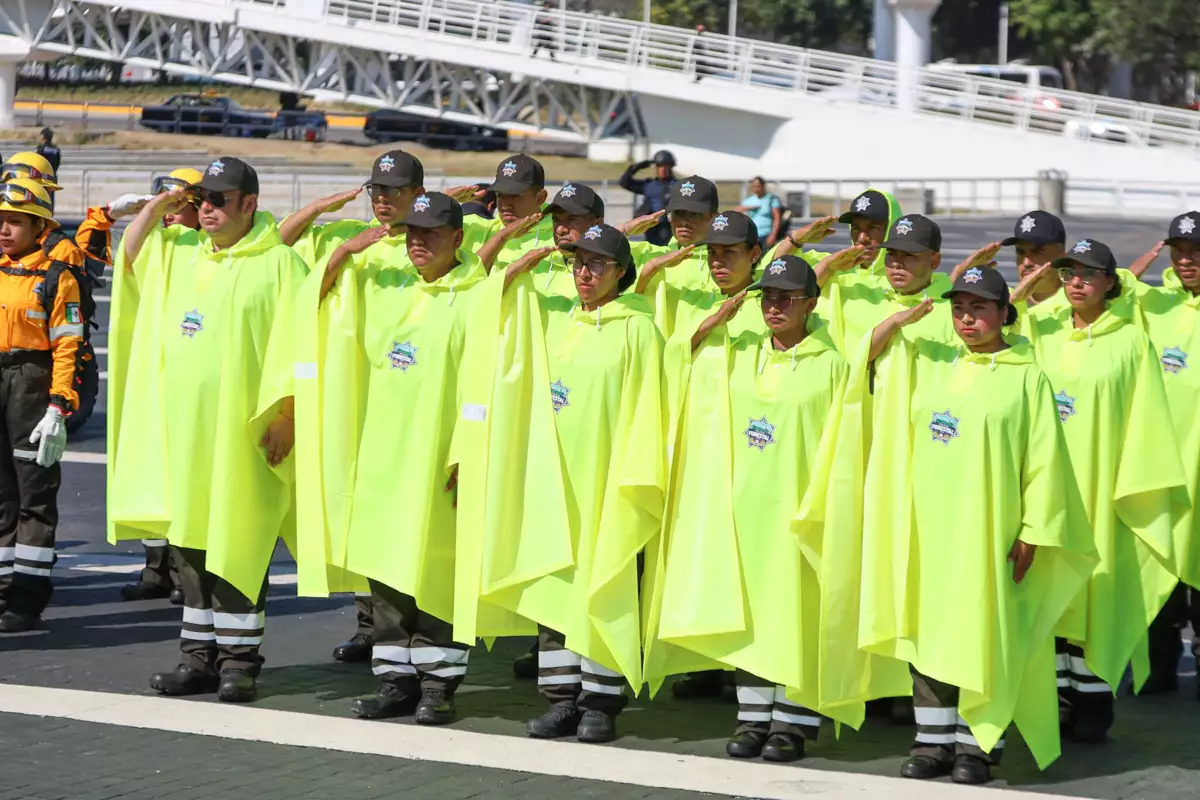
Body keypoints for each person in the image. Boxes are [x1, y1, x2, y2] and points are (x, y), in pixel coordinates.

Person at [852, 267, 1096, 784]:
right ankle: (932, 742)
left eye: (980, 308)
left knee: (987, 636)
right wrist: (898, 322)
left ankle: (978, 746)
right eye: (959, 308)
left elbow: (1046, 460)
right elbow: (863, 377)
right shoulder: (930, 366)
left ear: (1004, 313)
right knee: (929, 633)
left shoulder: (1027, 375)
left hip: (992, 533)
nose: (967, 318)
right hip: (930, 530)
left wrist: (1033, 529)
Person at [645, 255, 857, 763]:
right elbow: (674, 367)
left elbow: (846, 445)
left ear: (812, 302)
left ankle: (794, 724)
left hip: (799, 510)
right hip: (743, 508)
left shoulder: (833, 366)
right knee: (753, 616)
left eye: (787, 297)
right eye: (767, 297)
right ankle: (752, 716)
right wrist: (708, 325)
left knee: (796, 616)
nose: (776, 306)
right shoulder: (738, 353)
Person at [109, 157, 304, 703]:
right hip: (186, 437)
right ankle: (197, 659)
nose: (209, 210)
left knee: (239, 543)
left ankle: (239, 664)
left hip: (243, 438)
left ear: (250, 204)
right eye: (203, 201)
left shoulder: (281, 266)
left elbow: (302, 348)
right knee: (189, 551)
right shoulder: (182, 254)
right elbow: (128, 264)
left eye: (220, 200)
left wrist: (288, 415)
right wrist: (153, 209)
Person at [301, 193, 485, 724]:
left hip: (441, 461)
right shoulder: (387, 289)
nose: (418, 243)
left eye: (429, 233)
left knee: (438, 571)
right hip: (384, 455)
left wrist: (468, 449)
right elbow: (313, 302)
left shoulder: (481, 298)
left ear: (458, 238)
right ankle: (395, 682)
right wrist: (342, 254)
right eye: (410, 234)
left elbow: (486, 385)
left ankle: (438, 686)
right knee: (386, 573)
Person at [485, 224, 666, 744]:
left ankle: (601, 703)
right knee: (554, 588)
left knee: (605, 587)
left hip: (606, 483)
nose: (584, 275)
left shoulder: (638, 330)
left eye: (596, 266)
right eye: (577, 264)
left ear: (621, 272)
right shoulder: (555, 322)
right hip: (554, 480)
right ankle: (561, 699)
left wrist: (633, 479)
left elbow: (648, 411)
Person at [1026, 238, 1189, 742]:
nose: (1077, 283)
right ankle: (1052, 704)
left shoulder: (1130, 341)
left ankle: (1092, 705)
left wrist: (1131, 488)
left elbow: (1146, 423)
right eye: (1069, 273)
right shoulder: (1040, 331)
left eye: (1089, 274)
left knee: (1092, 598)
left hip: (1099, 493)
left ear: (1109, 282)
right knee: (1047, 598)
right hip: (1047, 492)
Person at [115, 167, 205, 605]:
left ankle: (183, 572)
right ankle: (156, 567)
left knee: (182, 478)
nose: (171, 215)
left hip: (190, 372)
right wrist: (153, 209)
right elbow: (129, 251)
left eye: (178, 205)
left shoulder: (209, 247)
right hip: (160, 371)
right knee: (153, 469)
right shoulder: (161, 245)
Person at [0, 178, 84, 632]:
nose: (5, 230)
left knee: (33, 494)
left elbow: (68, 345)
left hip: (32, 383)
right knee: (0, 495)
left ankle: (27, 598)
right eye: (1, 221)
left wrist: (58, 405)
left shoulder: (56, 277)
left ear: (39, 227)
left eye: (15, 222)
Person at [1131, 212, 1200, 694]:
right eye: (1178, 250)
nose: (1186, 259)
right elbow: (1103, 295)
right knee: (1158, 573)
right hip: (1162, 468)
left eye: (1195, 250)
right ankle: (1158, 668)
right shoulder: (1155, 304)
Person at [619, 150, 677, 247]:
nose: (662, 169)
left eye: (665, 166)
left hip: (668, 225)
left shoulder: (677, 185)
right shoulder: (649, 185)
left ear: (670, 167)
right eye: (659, 166)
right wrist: (636, 168)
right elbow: (624, 183)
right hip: (651, 225)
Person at [735, 177, 783, 250]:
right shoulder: (749, 200)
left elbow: (777, 218)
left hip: (766, 234)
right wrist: (750, 207)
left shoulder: (771, 199)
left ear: (763, 186)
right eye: (754, 186)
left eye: (758, 186)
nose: (756, 188)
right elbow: (735, 211)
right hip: (752, 234)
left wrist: (773, 235)